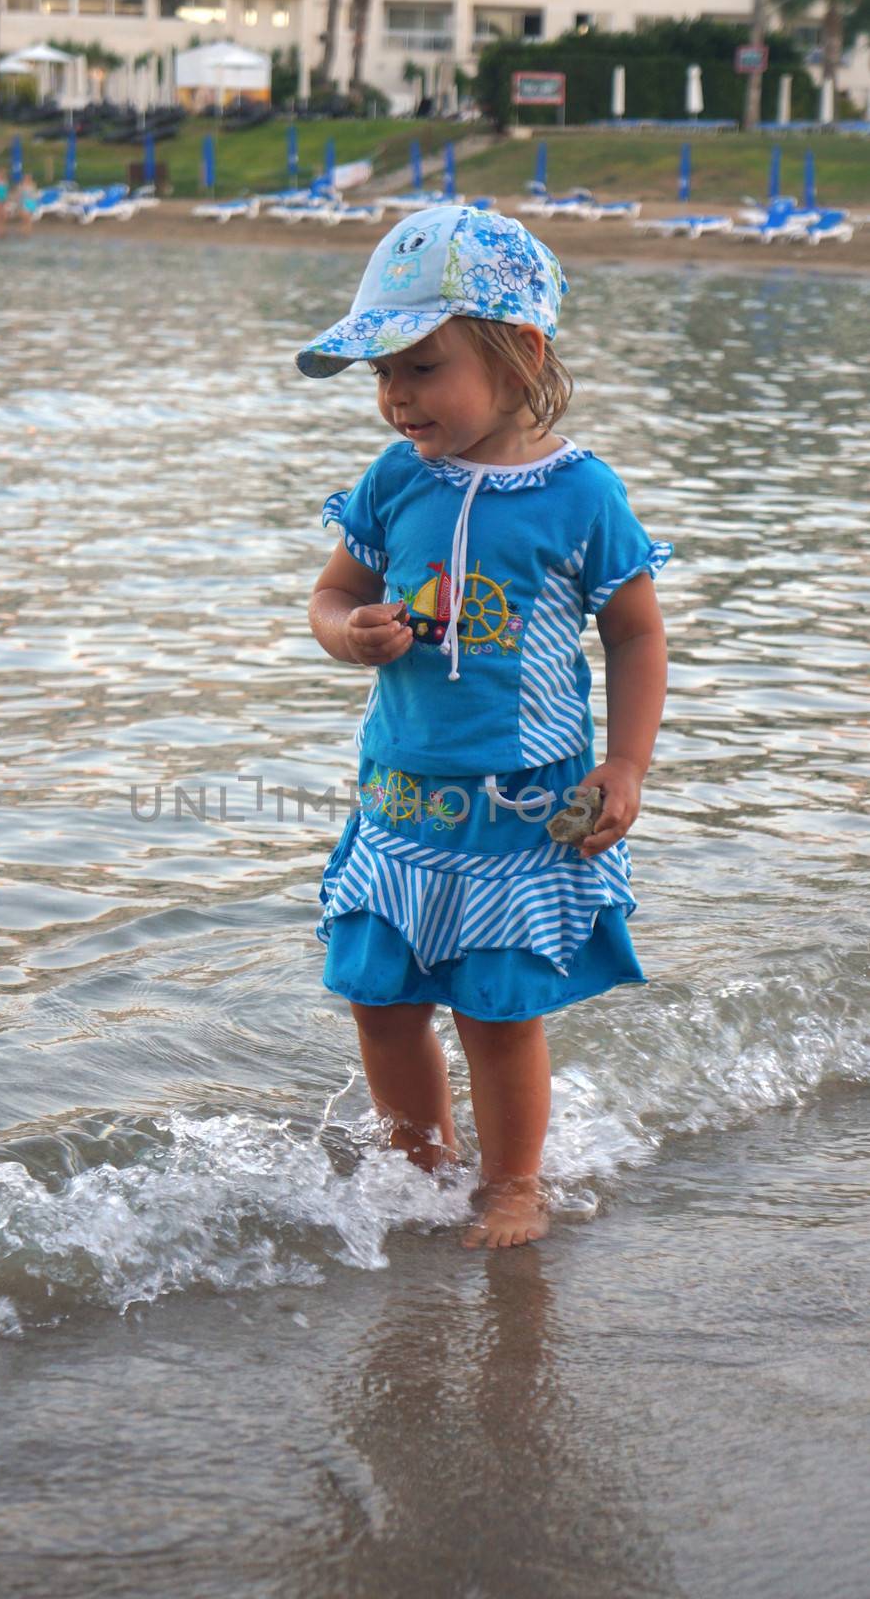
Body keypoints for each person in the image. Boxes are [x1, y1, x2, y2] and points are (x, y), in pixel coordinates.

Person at [298, 206, 674, 1250]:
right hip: (400, 801)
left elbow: (636, 638)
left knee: (498, 1012)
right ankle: (419, 1163)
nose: (394, 397)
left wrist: (626, 765)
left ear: (521, 356)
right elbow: (330, 595)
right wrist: (349, 632)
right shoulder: (394, 481)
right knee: (380, 999)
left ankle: (512, 1183)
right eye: (382, 372)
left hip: (520, 810)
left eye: (421, 366)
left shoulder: (581, 496)